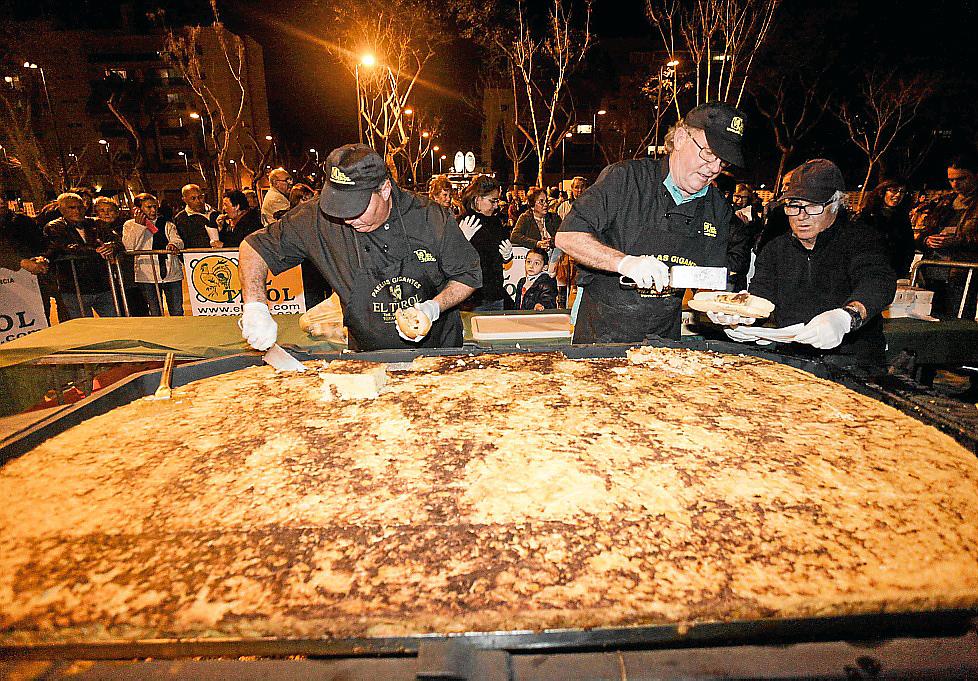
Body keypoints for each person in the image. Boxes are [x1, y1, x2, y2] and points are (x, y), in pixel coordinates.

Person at [239, 143, 482, 352]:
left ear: (385, 189)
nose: (347, 218)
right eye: (338, 207)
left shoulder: (431, 218)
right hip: (366, 359)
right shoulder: (316, 219)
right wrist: (255, 306)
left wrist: (433, 308)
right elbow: (254, 248)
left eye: (356, 207)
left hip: (437, 352)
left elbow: (467, 276)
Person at [555, 101, 748, 343]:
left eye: (723, 162)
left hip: (663, 340)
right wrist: (625, 263)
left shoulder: (718, 208)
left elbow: (707, 282)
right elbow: (568, 236)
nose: (714, 168)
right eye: (709, 153)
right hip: (602, 332)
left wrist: (722, 308)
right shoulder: (626, 179)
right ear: (680, 138)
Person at [713, 159, 897, 374]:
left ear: (835, 204)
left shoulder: (861, 239)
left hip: (854, 362)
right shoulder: (775, 249)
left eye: (813, 206)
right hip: (794, 361)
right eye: (794, 206)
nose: (801, 216)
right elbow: (762, 297)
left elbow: (878, 281)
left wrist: (847, 317)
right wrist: (742, 319)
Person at [917, 153, 978, 319]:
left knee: (958, 323)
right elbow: (924, 232)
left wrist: (956, 241)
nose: (955, 184)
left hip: (963, 275)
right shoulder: (944, 202)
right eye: (951, 180)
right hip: (933, 274)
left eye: (961, 179)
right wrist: (927, 240)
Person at [43, 192, 121, 319]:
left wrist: (111, 246)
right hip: (74, 287)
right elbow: (63, 247)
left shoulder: (97, 223)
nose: (77, 211)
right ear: (61, 210)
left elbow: (117, 241)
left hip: (103, 285)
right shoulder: (54, 227)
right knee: (82, 327)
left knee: (115, 323)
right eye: (72, 208)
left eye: (80, 207)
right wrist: (96, 250)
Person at [122, 192, 185, 316]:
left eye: (155, 206)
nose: (153, 210)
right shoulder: (130, 225)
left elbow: (178, 240)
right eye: (148, 207)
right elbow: (129, 247)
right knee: (155, 311)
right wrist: (139, 226)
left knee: (177, 310)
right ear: (138, 209)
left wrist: (174, 244)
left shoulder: (167, 224)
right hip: (147, 276)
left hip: (171, 273)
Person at [457, 174, 513, 311]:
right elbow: (452, 261)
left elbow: (499, 256)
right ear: (478, 198)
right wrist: (461, 241)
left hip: (495, 294)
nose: (496, 206)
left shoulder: (496, 222)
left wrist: (507, 256)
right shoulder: (463, 222)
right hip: (471, 299)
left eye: (497, 201)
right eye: (492, 201)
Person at [93, 196, 148, 316]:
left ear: (117, 212)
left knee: (138, 309)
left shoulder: (126, 226)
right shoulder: (94, 230)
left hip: (129, 277)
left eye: (110, 210)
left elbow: (128, 246)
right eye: (102, 210)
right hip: (108, 282)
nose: (106, 213)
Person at [859, 178, 916, 279]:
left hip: (894, 274)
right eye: (894, 190)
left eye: (902, 192)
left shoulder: (902, 218)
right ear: (882, 192)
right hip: (869, 273)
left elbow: (909, 247)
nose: (898, 195)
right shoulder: (867, 217)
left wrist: (902, 270)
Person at [511, 188, 560, 254]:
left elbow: (562, 236)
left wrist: (550, 242)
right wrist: (536, 243)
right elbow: (514, 236)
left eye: (546, 201)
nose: (545, 204)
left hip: (554, 256)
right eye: (541, 202)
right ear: (532, 205)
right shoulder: (525, 218)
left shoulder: (554, 217)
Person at [173, 184, 221, 249]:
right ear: (184, 200)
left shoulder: (216, 213)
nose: (198, 201)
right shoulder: (181, 219)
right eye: (193, 198)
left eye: (200, 197)